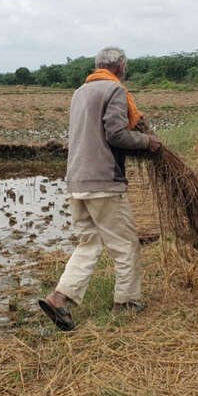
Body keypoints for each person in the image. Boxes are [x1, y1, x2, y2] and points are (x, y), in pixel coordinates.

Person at [38, 47, 162, 331]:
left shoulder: (80, 92)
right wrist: (147, 143)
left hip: (77, 182)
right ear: (121, 66)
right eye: (125, 67)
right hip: (103, 181)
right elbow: (115, 134)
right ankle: (127, 302)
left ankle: (59, 299)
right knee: (125, 244)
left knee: (89, 243)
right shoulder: (115, 90)